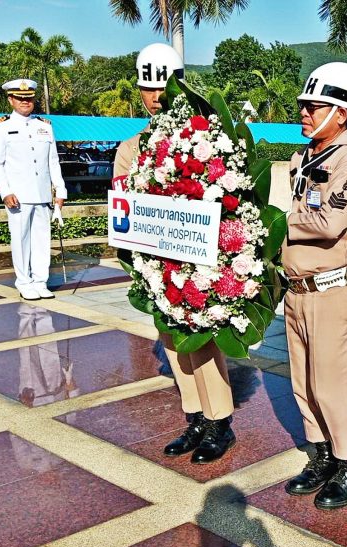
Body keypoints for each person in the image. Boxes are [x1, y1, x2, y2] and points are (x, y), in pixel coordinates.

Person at [113, 43, 236, 465]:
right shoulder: (130, 148)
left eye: (162, 87)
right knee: (171, 343)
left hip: (196, 261)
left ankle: (219, 421)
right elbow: (123, 209)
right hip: (156, 264)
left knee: (202, 342)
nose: (155, 96)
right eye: (148, 88)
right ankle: (196, 418)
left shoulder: (204, 136)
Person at [281, 62, 347, 509]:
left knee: (333, 383)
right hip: (297, 290)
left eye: (314, 107)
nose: (304, 112)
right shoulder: (305, 157)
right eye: (304, 104)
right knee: (303, 381)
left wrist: (279, 222)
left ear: (340, 114)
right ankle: (322, 456)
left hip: (331, 289)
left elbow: (329, 222)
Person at [0, 78, 66, 302]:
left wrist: (60, 190)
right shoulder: (1, 126)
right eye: (19, 98)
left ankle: (40, 281)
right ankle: (24, 282)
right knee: (21, 240)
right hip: (18, 195)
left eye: (29, 98)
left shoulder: (45, 126)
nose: (25, 102)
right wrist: (5, 191)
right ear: (10, 100)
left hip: (42, 194)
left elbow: (53, 161)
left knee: (42, 239)